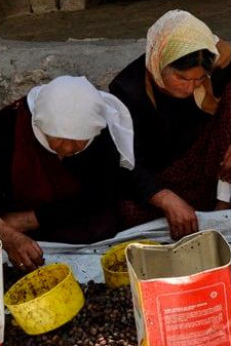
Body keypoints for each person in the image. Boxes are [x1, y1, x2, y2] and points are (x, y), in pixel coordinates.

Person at [110, 10, 231, 239]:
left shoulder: (218, 63)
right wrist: (165, 198)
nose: (190, 88)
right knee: (127, 212)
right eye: (181, 78)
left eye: (199, 79)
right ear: (159, 64)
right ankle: (195, 213)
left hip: (219, 168)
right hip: (169, 179)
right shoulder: (128, 90)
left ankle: (224, 206)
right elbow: (127, 162)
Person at [0, 76, 135, 271]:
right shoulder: (7, 129)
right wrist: (8, 234)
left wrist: (27, 221)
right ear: (40, 125)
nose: (68, 148)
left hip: (58, 215)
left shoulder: (101, 136)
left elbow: (100, 193)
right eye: (58, 138)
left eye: (80, 139)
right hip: (12, 212)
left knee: (103, 222)